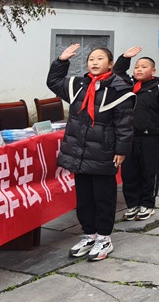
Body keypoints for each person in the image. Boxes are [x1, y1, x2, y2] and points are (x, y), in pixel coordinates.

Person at [47, 44, 134, 262]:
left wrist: (121, 150)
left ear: (110, 64)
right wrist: (61, 61)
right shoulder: (79, 85)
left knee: (103, 197)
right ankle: (89, 234)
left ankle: (104, 238)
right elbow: (53, 82)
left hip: (105, 152)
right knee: (84, 197)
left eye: (100, 59)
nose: (94, 63)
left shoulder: (119, 89)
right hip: (80, 152)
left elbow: (125, 124)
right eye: (91, 59)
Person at [113, 49, 159, 222]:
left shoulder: (158, 89)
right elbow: (117, 72)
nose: (139, 69)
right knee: (129, 172)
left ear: (153, 71)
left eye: (144, 67)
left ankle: (147, 204)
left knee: (149, 172)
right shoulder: (127, 85)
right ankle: (132, 205)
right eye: (137, 67)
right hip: (128, 138)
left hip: (150, 138)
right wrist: (125, 58)